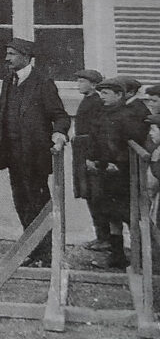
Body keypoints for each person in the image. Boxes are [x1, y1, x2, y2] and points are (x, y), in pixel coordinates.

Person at [0, 38, 70, 267]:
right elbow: (1, 113)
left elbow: (60, 116)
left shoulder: (43, 83)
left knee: (38, 203)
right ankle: (33, 251)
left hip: (34, 157)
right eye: (7, 53)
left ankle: (46, 254)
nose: (7, 58)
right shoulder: (9, 80)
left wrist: (59, 134)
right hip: (13, 156)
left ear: (26, 57)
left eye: (12, 54)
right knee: (22, 203)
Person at [87, 78, 148, 269]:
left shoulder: (128, 115)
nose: (102, 97)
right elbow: (98, 140)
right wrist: (94, 159)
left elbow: (130, 142)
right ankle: (117, 255)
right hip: (107, 171)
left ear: (120, 95)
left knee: (128, 215)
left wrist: (115, 162)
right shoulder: (107, 112)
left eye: (106, 93)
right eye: (101, 93)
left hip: (122, 173)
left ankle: (142, 258)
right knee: (111, 215)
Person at [70, 69, 107, 251]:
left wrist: (91, 156)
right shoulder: (88, 100)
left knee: (96, 195)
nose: (79, 84)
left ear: (93, 85)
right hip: (82, 150)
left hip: (89, 152)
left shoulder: (97, 102)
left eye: (82, 81)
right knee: (89, 194)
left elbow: (97, 132)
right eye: (78, 81)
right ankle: (100, 236)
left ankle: (104, 238)